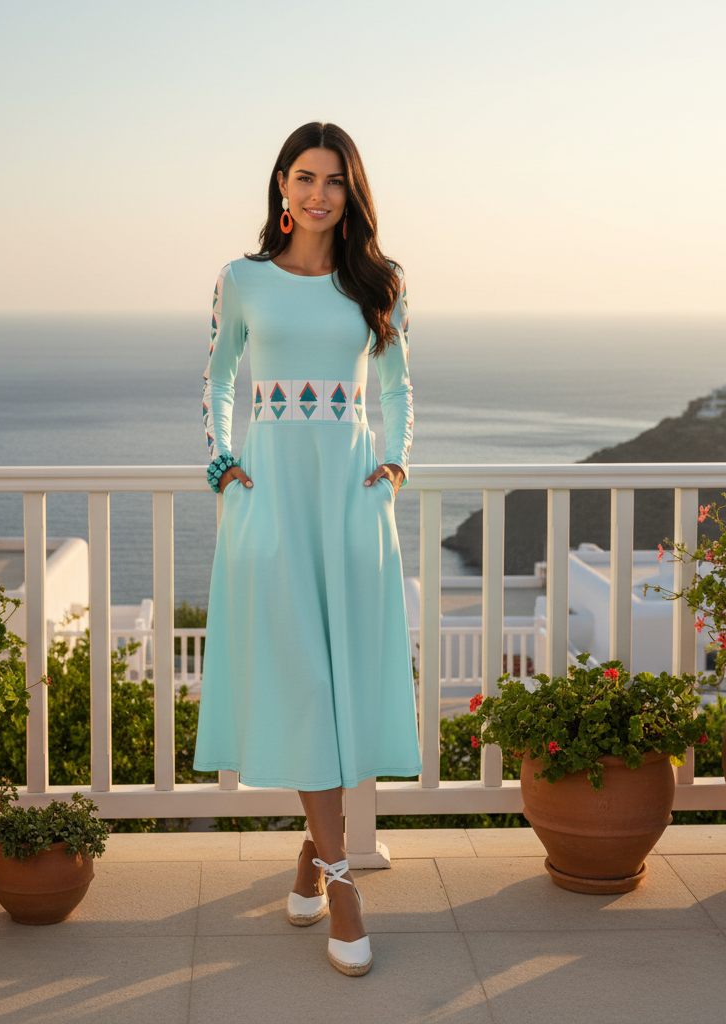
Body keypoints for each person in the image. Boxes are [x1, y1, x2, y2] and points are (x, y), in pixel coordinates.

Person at [194, 122, 421, 976]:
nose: (316, 192)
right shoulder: (241, 280)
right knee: (300, 675)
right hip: (271, 500)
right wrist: (222, 467)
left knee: (342, 676)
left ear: (349, 190)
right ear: (280, 187)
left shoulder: (381, 283)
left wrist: (394, 467)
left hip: (354, 499)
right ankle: (341, 880)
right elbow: (216, 380)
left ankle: (309, 854)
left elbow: (397, 389)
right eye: (302, 176)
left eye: (332, 179)